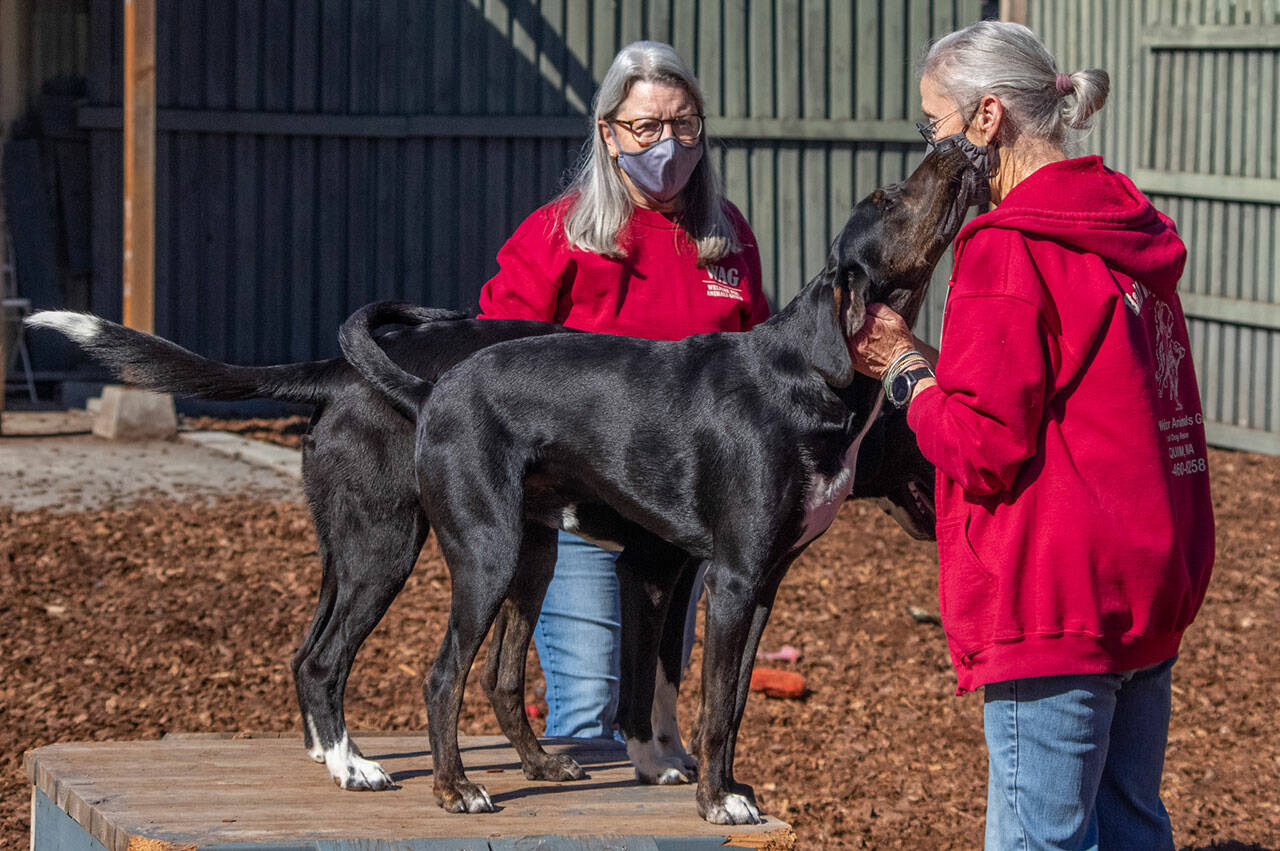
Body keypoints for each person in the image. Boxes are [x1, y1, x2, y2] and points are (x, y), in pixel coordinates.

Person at [848, 21, 1215, 850]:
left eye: (931, 125)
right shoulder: (1127, 231)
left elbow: (983, 445)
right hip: (1147, 579)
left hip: (1055, 598)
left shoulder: (1007, 248)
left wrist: (904, 367)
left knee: (1038, 838)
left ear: (985, 120)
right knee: (1130, 825)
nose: (930, 149)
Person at [477, 40, 770, 739]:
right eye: (646, 127)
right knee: (589, 704)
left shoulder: (726, 239)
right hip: (577, 515)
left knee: (648, 713)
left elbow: (756, 376)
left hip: (683, 521)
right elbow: (492, 372)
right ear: (609, 133)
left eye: (684, 125)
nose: (667, 143)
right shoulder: (558, 238)